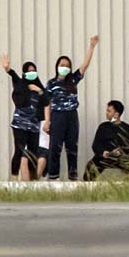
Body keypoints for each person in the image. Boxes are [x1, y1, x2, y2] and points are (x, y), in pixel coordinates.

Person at [44, 35, 100, 181]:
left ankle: (73, 175)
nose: (64, 67)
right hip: (57, 116)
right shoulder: (51, 83)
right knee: (55, 146)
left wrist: (92, 47)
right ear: (57, 66)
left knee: (72, 146)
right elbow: (47, 103)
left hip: (71, 115)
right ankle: (53, 175)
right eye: (62, 65)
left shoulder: (73, 79)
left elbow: (85, 65)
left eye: (67, 66)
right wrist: (47, 121)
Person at [0, 55, 49, 181]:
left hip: (34, 125)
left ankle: (33, 179)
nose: (32, 73)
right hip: (20, 124)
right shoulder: (20, 84)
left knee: (33, 152)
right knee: (19, 150)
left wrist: (38, 90)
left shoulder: (39, 87)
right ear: (24, 72)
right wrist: (7, 69)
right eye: (29, 71)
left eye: (34, 71)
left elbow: (46, 101)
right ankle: (14, 178)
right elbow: (13, 75)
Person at [84, 100, 129, 180]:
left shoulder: (127, 128)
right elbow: (95, 145)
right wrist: (103, 152)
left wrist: (120, 152)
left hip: (121, 158)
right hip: (104, 157)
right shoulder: (103, 127)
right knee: (90, 168)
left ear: (116, 114)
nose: (106, 113)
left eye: (109, 111)